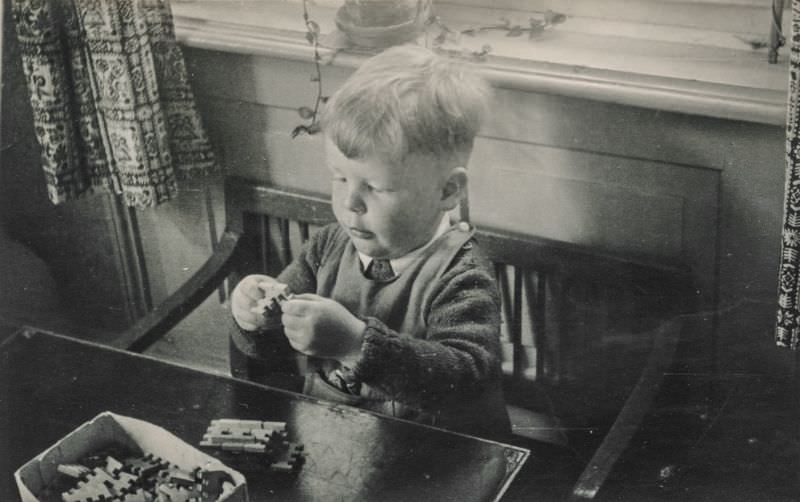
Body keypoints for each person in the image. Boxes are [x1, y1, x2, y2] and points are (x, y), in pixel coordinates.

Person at [229, 44, 510, 440]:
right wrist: (254, 318)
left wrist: (356, 344)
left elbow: (465, 382)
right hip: (337, 445)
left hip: (437, 462)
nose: (349, 203)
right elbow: (275, 344)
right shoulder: (328, 246)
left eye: (375, 187)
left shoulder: (460, 275)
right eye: (340, 177)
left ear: (447, 191)